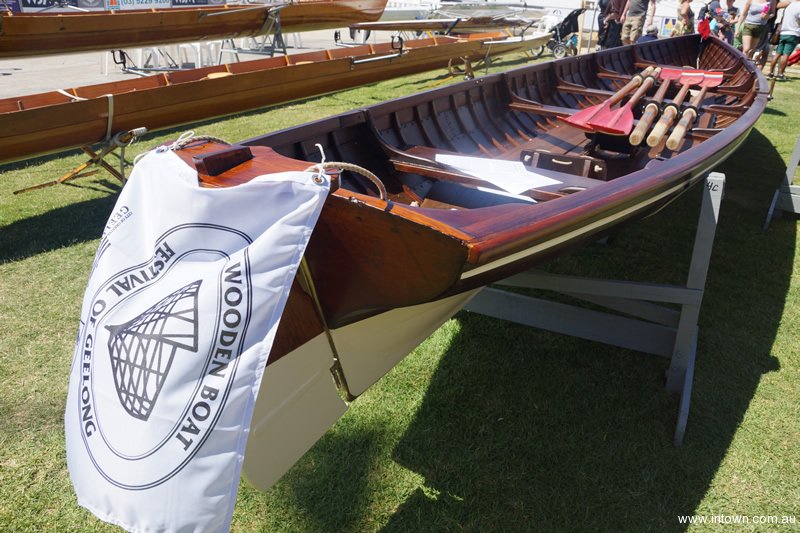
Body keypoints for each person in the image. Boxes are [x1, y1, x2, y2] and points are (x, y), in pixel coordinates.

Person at [767, 0, 800, 79]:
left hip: (783, 32)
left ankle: (770, 72)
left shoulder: (789, 5)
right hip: (793, 33)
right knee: (786, 55)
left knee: (778, 54)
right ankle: (780, 74)